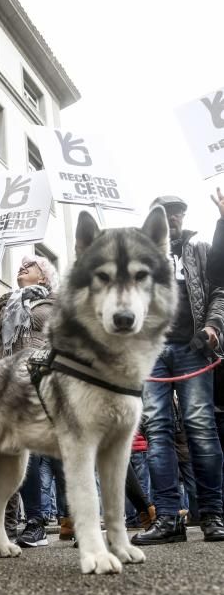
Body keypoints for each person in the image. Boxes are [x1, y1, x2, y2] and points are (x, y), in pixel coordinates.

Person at [132, 195, 224, 545]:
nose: (173, 217)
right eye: (165, 212)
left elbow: (220, 290)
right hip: (150, 350)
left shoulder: (199, 250)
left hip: (193, 347)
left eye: (178, 211)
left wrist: (214, 326)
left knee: (201, 427)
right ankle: (168, 518)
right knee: (157, 430)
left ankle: (214, 514)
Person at [0, 254, 68, 548]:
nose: (22, 268)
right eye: (21, 265)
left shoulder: (56, 305)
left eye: (30, 266)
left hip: (43, 380)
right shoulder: (4, 303)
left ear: (44, 276)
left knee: (56, 456)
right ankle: (37, 521)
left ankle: (65, 516)